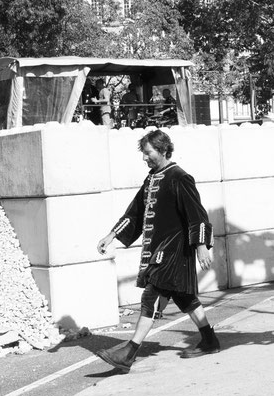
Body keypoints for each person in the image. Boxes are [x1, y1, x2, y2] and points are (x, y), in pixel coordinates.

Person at [91, 128, 219, 370]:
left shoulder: (180, 177)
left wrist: (201, 245)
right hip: (159, 250)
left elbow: (197, 214)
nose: (144, 158)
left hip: (174, 251)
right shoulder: (151, 179)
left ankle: (129, 352)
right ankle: (210, 340)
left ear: (162, 150)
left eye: (148, 153)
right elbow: (136, 213)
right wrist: (112, 235)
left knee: (150, 296)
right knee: (185, 298)